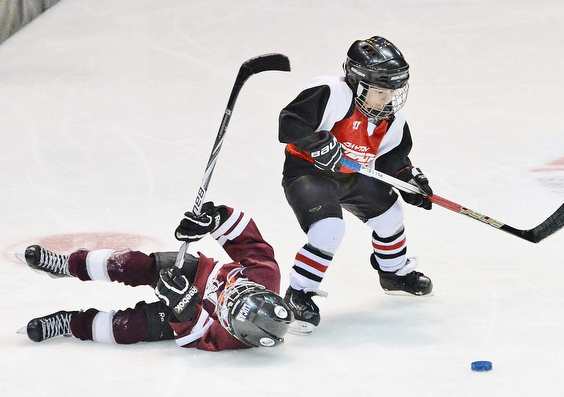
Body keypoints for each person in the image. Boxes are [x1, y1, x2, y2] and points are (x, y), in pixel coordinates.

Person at [278, 36, 434, 334]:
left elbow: (392, 159)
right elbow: (290, 121)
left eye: (392, 91)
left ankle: (393, 274)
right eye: (379, 91)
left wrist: (408, 180)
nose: (386, 99)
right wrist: (316, 143)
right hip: (308, 174)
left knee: (390, 215)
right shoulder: (331, 92)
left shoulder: (392, 120)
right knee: (329, 229)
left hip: (351, 177)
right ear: (358, 83)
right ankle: (299, 294)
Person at [17, 202, 294, 351]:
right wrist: (214, 219)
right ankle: (68, 265)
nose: (229, 294)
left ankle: (71, 323)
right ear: (262, 291)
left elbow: (198, 338)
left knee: (127, 328)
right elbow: (246, 237)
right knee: (131, 264)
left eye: (228, 306)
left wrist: (184, 309)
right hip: (197, 273)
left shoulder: (234, 339)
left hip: (185, 314)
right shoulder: (265, 273)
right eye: (240, 292)